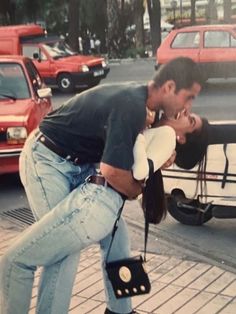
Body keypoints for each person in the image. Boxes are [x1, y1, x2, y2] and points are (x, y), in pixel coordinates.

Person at [0, 57, 203, 314]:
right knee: (64, 252)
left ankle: (120, 311)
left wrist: (157, 160)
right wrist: (138, 186)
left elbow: (132, 161)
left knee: (118, 237)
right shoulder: (132, 104)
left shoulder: (147, 110)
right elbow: (113, 174)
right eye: (188, 98)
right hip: (46, 159)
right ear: (170, 87)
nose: (187, 107)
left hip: (77, 164)